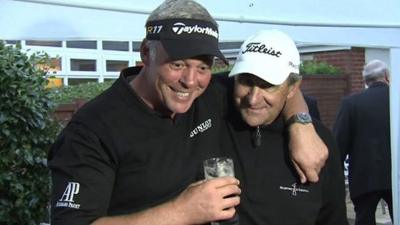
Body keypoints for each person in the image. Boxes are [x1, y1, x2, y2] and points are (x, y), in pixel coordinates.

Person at [48, 1, 327, 224]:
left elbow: (274, 83)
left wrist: (300, 123)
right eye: (178, 64)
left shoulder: (209, 94)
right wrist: (182, 212)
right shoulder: (93, 130)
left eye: (203, 67)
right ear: (146, 53)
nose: (191, 81)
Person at [222, 29, 348, 224]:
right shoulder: (212, 108)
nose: (253, 99)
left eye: (268, 85)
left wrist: (301, 123)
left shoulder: (320, 141)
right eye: (246, 81)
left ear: (292, 89)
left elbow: (333, 218)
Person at [334, 59, 393, 225]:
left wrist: (334, 177)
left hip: (363, 176)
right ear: (387, 76)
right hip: (395, 174)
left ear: (366, 80)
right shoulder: (396, 100)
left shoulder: (351, 103)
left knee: (364, 219)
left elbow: (339, 143)